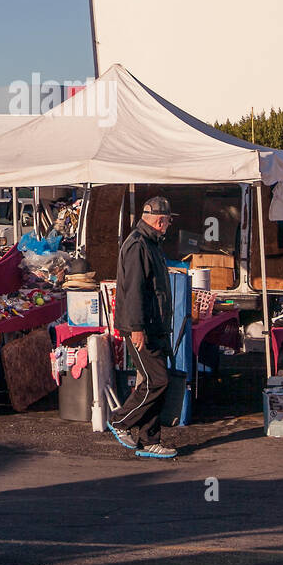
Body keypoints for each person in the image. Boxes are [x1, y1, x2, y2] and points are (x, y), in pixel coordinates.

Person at [107, 197, 179, 460]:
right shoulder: (138, 245)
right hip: (141, 327)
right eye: (168, 220)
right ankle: (119, 420)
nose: (169, 225)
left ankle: (149, 440)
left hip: (155, 326)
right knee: (156, 380)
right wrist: (137, 327)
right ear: (160, 220)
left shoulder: (151, 243)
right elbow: (134, 290)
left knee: (157, 382)